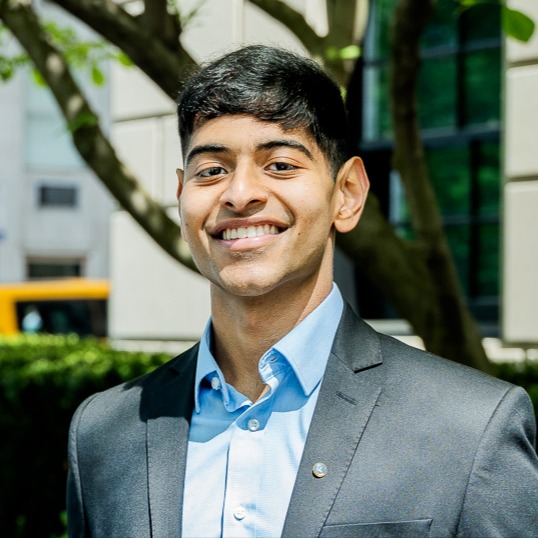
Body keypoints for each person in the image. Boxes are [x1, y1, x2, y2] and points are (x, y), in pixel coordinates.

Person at [66, 45, 538, 537]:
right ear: (182, 194)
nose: (240, 193)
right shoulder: (104, 431)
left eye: (281, 165)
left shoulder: (470, 427)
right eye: (211, 170)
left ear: (348, 194)